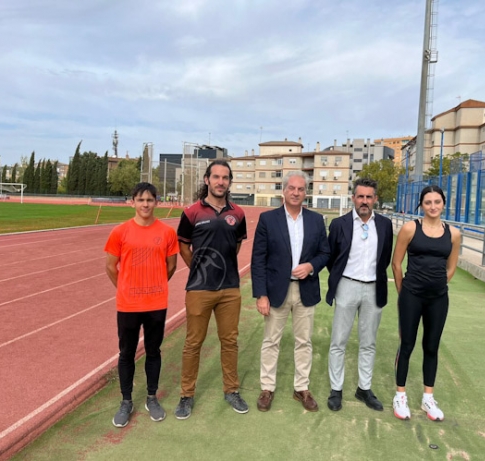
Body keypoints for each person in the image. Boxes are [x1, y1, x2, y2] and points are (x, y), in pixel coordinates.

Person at [174, 159, 249, 419]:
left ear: (229, 182)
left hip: (229, 289)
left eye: (225, 177)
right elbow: (183, 246)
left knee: (229, 342)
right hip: (199, 288)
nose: (220, 182)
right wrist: (198, 268)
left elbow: (236, 246)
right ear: (207, 180)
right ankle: (186, 395)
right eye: (215, 177)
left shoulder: (238, 214)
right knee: (193, 343)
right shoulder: (191, 212)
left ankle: (231, 390)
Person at [251, 171, 330, 412]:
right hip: (276, 291)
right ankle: (267, 387)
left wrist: (311, 266)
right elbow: (258, 259)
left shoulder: (316, 220)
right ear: (284, 191)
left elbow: (325, 253)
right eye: (292, 188)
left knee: (303, 342)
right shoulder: (268, 219)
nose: (296, 192)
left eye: (301, 189)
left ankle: (301, 388)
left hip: (305, 290)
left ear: (306, 192)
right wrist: (261, 294)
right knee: (271, 341)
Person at [104, 182, 179, 427]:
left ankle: (151, 397)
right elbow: (110, 266)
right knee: (126, 353)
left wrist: (155, 285)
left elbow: (171, 266)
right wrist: (126, 288)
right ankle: (126, 401)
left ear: (156, 202)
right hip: (128, 305)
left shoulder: (167, 232)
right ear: (133, 202)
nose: (145, 204)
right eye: (140, 200)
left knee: (153, 351)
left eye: (150, 200)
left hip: (156, 303)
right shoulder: (120, 232)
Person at [391, 185, 460, 422]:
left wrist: (438, 285)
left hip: (438, 299)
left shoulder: (453, 234)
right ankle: (400, 396)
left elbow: (451, 266)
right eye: (428, 202)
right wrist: (404, 293)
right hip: (411, 295)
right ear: (421, 205)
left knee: (431, 347)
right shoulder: (410, 228)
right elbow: (397, 264)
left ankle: (428, 398)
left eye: (437, 202)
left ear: (443, 204)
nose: (433, 206)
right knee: (407, 345)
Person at [325, 178, 393, 412]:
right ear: (353, 198)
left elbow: (385, 257)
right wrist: (343, 278)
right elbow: (331, 257)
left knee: (368, 342)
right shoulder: (339, 224)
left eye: (369, 197)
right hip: (347, 285)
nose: (364, 201)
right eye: (360, 196)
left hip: (374, 288)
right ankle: (336, 389)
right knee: (338, 341)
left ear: (375, 199)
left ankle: (364, 388)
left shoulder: (384, 225)